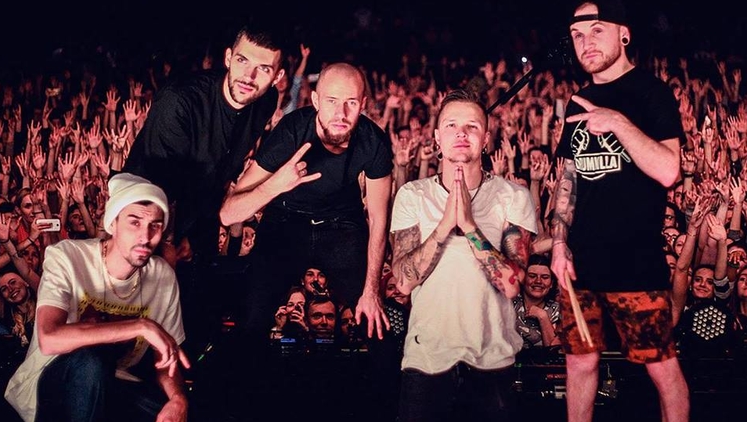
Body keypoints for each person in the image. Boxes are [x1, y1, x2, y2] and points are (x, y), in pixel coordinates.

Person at [550, 1, 689, 421]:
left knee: (661, 367)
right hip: (580, 263)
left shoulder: (651, 92)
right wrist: (558, 243)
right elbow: (568, 179)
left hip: (636, 261)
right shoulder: (578, 100)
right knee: (579, 363)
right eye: (577, 35)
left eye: (597, 30)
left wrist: (618, 122)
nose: (586, 42)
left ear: (623, 34)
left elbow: (669, 170)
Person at [122, 21, 286, 354]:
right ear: (227, 58)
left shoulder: (266, 100)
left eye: (264, 69)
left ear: (277, 77)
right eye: (242, 61)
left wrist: (201, 228)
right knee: (144, 314)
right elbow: (158, 183)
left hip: (203, 207)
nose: (249, 76)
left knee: (196, 319)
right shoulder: (180, 100)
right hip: (149, 210)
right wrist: (169, 241)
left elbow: (224, 167)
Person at [219, 62, 393, 341]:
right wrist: (275, 185)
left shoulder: (373, 142)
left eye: (350, 102)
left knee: (375, 323)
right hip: (286, 220)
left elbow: (378, 219)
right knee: (252, 320)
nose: (341, 113)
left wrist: (371, 292)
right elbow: (229, 213)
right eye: (332, 101)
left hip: (342, 225)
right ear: (315, 100)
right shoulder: (291, 132)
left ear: (362, 104)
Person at [390, 89, 536, 421]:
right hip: (426, 359)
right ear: (437, 138)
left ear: (486, 139)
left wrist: (469, 225)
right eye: (451, 125)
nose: (461, 133)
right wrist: (444, 226)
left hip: (493, 359)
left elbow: (512, 284)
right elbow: (403, 282)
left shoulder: (513, 196)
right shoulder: (412, 195)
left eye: (472, 126)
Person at [4, 173, 190, 422]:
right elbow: (49, 338)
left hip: (114, 381)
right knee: (90, 363)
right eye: (134, 222)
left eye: (155, 225)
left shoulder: (162, 276)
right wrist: (141, 326)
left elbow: (165, 359)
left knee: (178, 410)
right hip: (50, 378)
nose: (145, 237)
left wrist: (178, 398)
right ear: (113, 224)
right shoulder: (67, 256)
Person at [513, 254, 561, 349]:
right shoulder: (508, 304)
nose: (538, 281)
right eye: (532, 276)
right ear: (523, 279)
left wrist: (542, 316)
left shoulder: (559, 310)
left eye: (545, 277)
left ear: (551, 284)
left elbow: (555, 351)